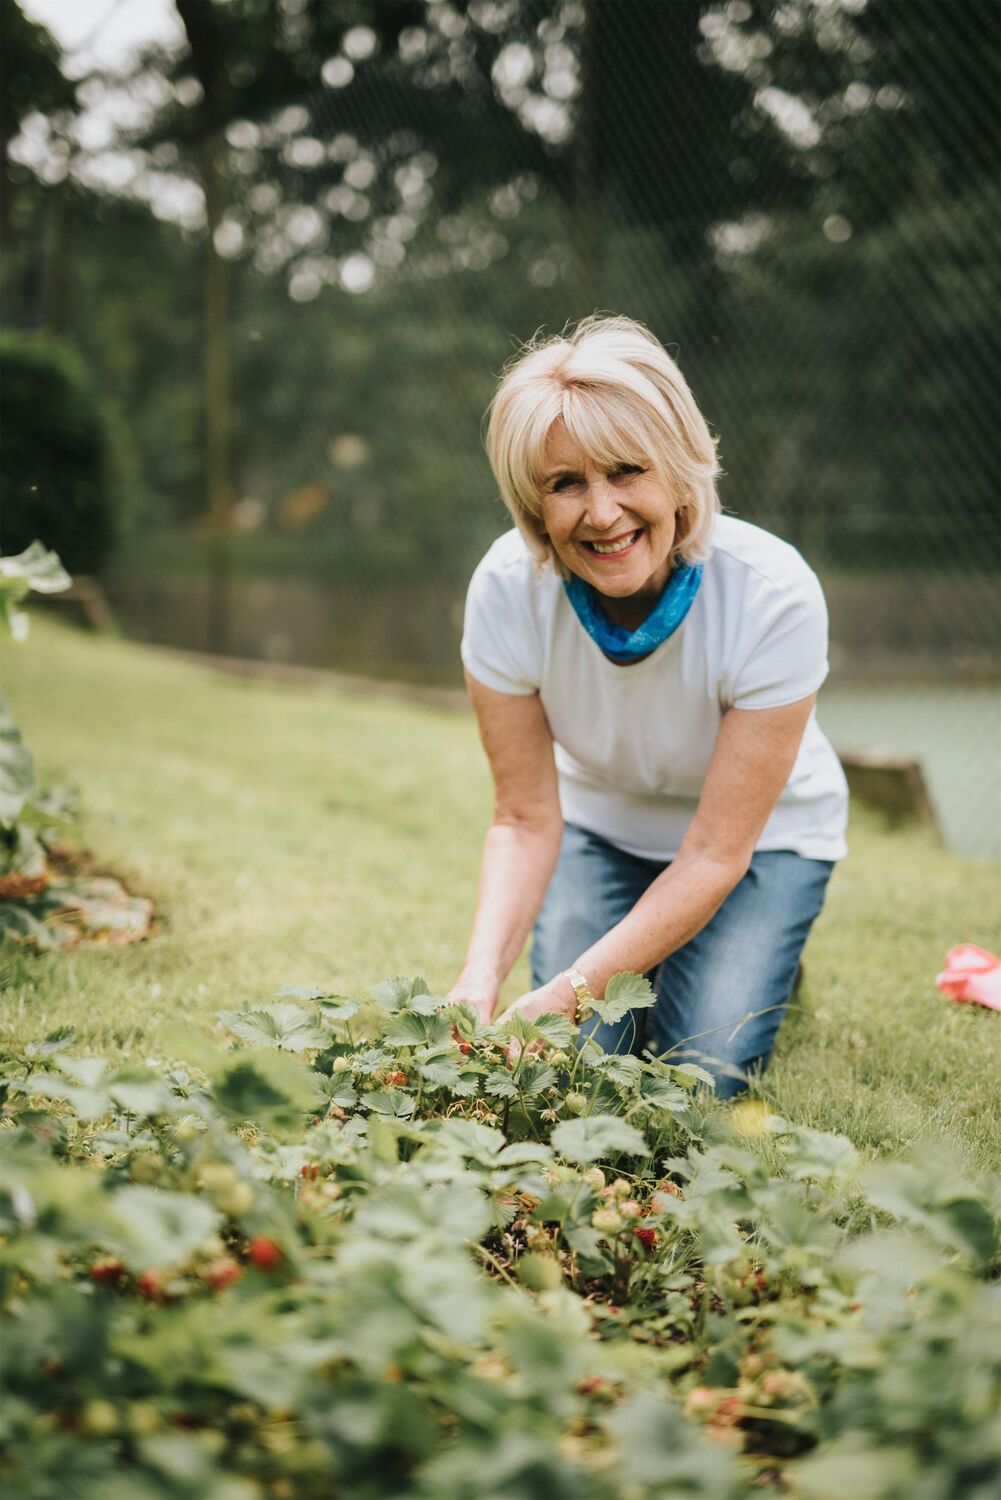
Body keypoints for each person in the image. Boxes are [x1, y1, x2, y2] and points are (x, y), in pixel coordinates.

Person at [449, 315, 848, 1097]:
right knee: (581, 1061)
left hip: (760, 846)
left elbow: (712, 855)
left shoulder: (773, 594)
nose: (600, 514)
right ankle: (663, 943)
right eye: (565, 483)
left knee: (701, 1072)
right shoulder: (504, 589)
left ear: (677, 468)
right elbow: (523, 819)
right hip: (603, 830)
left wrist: (566, 988)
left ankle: (762, 950)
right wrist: (476, 978)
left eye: (626, 471)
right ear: (532, 503)